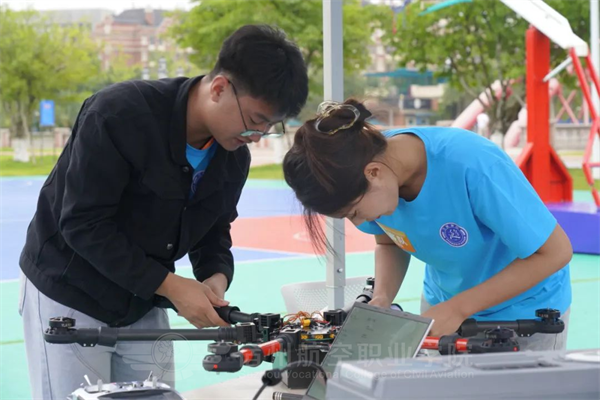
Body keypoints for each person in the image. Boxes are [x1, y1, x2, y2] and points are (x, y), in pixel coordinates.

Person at [18, 24, 308, 399]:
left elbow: (214, 229)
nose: (258, 135)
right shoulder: (118, 114)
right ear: (219, 88)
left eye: (270, 126)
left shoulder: (233, 157)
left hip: (143, 300)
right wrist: (171, 286)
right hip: (70, 294)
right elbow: (82, 223)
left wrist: (215, 279)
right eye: (255, 120)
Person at [283, 99, 572, 351]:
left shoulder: (472, 164)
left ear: (374, 173)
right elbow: (389, 240)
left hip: (524, 315)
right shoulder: (371, 171)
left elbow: (554, 252)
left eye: (354, 212)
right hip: (443, 307)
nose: (359, 223)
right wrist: (382, 297)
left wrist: (459, 308)